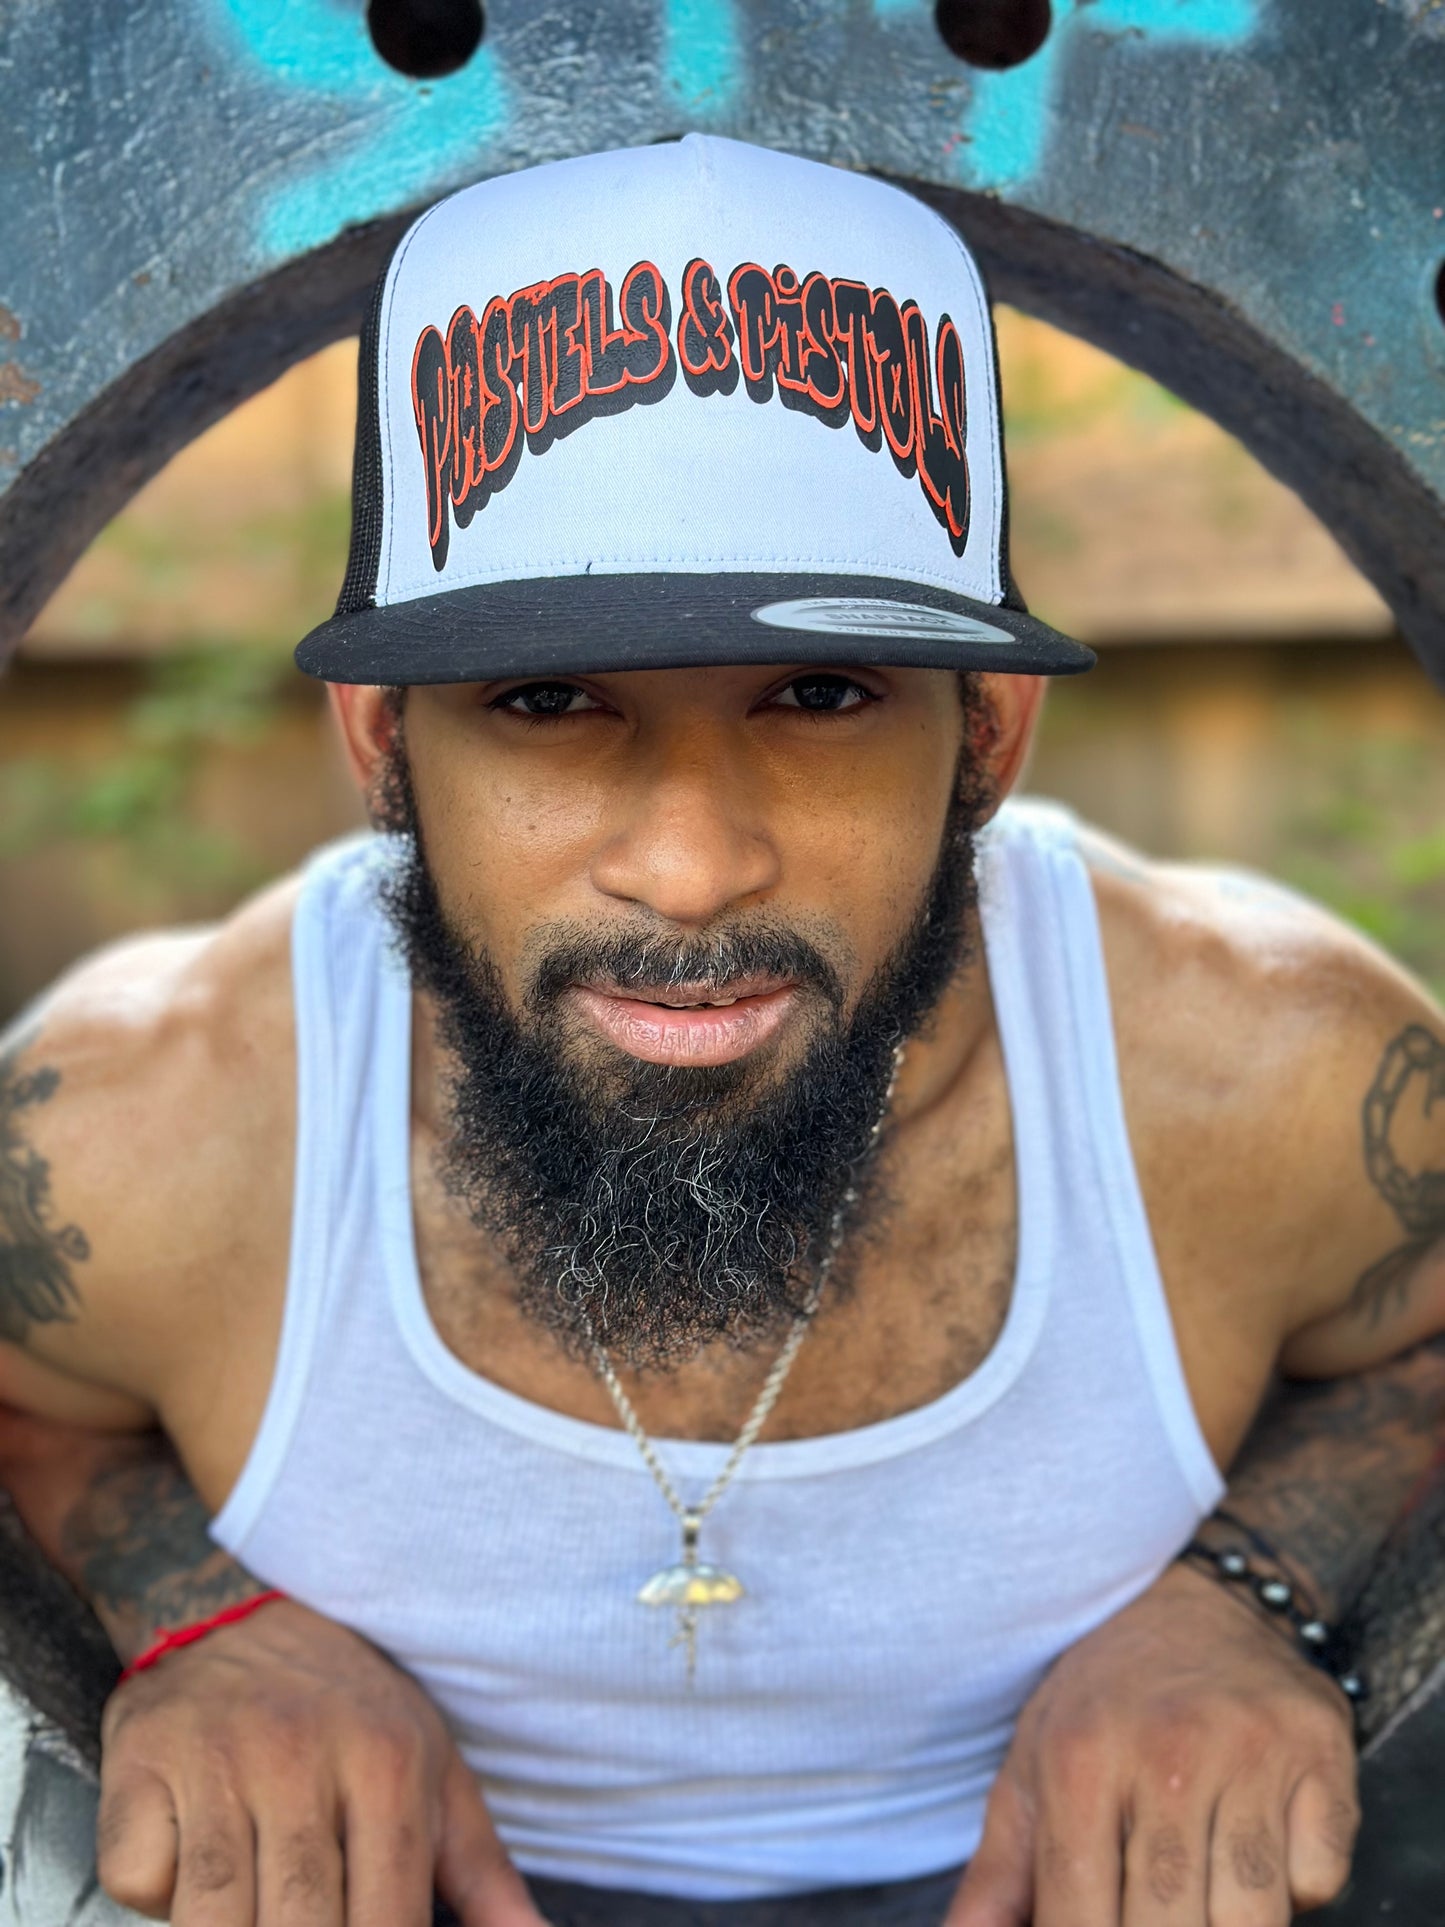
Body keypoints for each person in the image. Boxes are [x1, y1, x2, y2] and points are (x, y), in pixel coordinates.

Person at [1, 134, 1443, 1927]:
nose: (689, 870)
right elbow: (30, 1407)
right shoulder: (153, 1126)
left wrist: (1247, 1594)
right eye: (546, 701)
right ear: (381, 745)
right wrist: (204, 1616)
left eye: (820, 693)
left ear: (988, 732)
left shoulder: (1259, 1075)